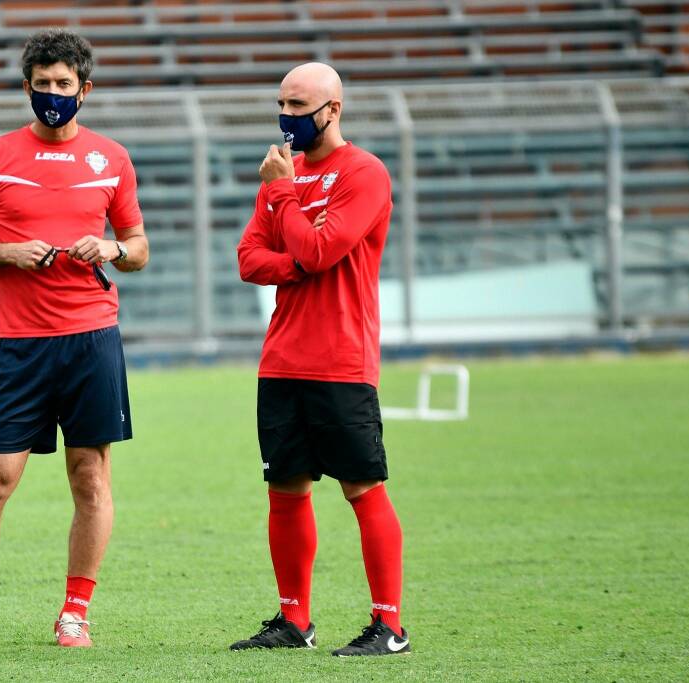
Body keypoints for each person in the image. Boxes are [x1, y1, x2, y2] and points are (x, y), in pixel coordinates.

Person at [0, 29, 148, 652]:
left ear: (85, 90)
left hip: (92, 341)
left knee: (90, 478)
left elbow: (137, 248)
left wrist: (109, 246)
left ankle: (75, 612)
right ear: (26, 87)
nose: (53, 94)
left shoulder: (112, 159)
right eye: (42, 84)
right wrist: (8, 252)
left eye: (64, 85)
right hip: (22, 346)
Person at [230, 62, 409, 657]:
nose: (286, 118)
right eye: (281, 104)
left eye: (298, 106)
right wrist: (297, 256)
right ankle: (294, 622)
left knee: (362, 487)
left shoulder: (364, 173)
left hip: (341, 358)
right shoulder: (284, 174)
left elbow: (324, 249)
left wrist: (285, 200)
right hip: (282, 357)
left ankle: (389, 628)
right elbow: (251, 260)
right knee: (285, 488)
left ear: (332, 109)